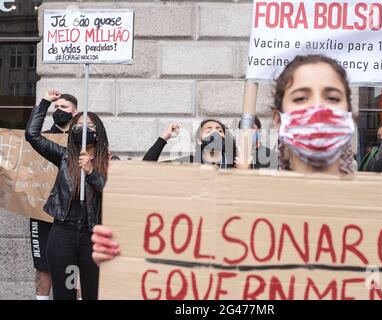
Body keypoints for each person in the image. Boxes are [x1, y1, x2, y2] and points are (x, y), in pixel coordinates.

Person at [91, 54, 358, 265]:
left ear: (350, 112)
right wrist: (125, 252)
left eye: (332, 97)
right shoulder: (250, 189)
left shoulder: (381, 206)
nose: (317, 109)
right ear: (278, 119)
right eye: (301, 97)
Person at [25, 89, 109, 300]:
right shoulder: (64, 157)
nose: (83, 129)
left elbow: (112, 193)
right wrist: (44, 102)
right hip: (63, 231)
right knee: (63, 293)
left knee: (93, 292)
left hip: (93, 233)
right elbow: (32, 136)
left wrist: (91, 171)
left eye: (89, 126)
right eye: (78, 126)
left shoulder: (109, 162)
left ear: (98, 132)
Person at [29, 92, 78, 301]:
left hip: (73, 214)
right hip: (42, 211)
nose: (59, 111)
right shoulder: (44, 138)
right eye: (55, 107)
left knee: (76, 266)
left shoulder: (83, 140)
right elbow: (31, 136)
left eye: (64, 107)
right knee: (43, 265)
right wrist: (45, 103)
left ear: (75, 112)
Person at [143, 119, 236, 169]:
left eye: (219, 130)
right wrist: (164, 138)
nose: (215, 133)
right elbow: (146, 168)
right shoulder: (188, 163)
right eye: (208, 130)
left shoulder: (235, 163)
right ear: (199, 140)